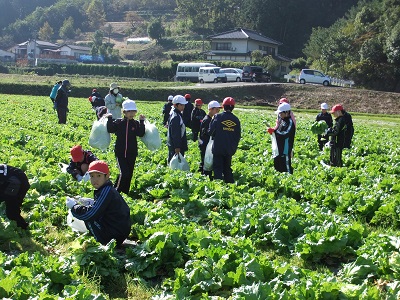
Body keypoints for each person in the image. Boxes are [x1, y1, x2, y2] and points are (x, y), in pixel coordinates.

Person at [66, 160, 131, 246]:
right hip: (119, 232)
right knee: (92, 213)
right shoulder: (107, 189)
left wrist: (74, 207)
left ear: (107, 176)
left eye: (99, 176)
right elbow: (103, 206)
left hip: (114, 236)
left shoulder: (106, 191)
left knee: (89, 218)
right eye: (92, 176)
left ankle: (102, 241)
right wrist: (90, 202)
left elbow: (90, 214)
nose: (95, 180)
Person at [107, 99, 145, 194]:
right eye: (129, 111)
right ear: (124, 112)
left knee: (129, 174)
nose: (131, 113)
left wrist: (142, 122)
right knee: (124, 173)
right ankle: (117, 192)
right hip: (120, 152)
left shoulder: (135, 124)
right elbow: (110, 129)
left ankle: (124, 192)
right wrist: (109, 119)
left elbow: (141, 133)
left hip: (131, 153)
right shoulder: (119, 122)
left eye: (133, 111)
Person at [208, 97, 241, 183]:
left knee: (218, 168)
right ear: (233, 107)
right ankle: (230, 185)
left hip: (218, 147)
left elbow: (211, 132)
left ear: (223, 106)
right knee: (227, 168)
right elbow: (238, 136)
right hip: (229, 149)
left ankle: (218, 186)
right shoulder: (236, 120)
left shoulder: (217, 117)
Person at [267, 102, 296, 174]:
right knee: (278, 164)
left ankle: (290, 179)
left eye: (281, 113)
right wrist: (273, 131)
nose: (279, 115)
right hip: (279, 147)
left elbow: (285, 133)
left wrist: (275, 132)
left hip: (285, 148)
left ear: (286, 112)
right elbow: (278, 131)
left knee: (286, 166)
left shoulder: (290, 122)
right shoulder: (282, 120)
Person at [0, 164, 30, 229]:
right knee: (12, 207)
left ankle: (23, 228)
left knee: (11, 212)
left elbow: (14, 184)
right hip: (14, 180)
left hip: (18, 182)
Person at [199, 100, 221, 177]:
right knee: (205, 161)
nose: (218, 111)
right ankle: (204, 176)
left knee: (207, 161)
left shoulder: (211, 119)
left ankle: (206, 175)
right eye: (216, 110)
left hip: (207, 144)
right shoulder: (207, 120)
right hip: (205, 144)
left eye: (219, 110)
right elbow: (206, 134)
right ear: (210, 109)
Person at [167, 95, 188, 163]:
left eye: (184, 105)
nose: (183, 107)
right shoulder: (176, 116)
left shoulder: (176, 114)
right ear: (176, 105)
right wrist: (177, 147)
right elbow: (175, 133)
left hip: (174, 144)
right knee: (175, 164)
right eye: (181, 105)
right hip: (175, 146)